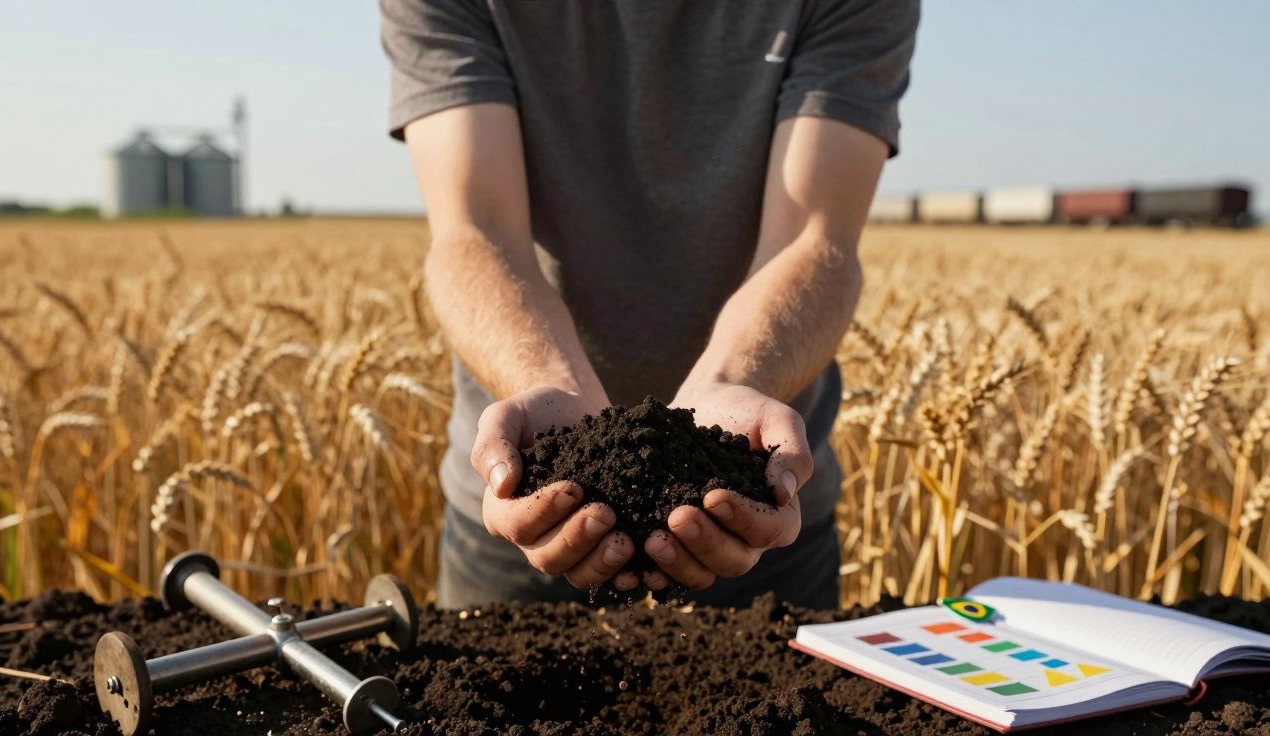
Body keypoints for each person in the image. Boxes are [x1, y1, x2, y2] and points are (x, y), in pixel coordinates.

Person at [381, 0, 918, 610]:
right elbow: (476, 230)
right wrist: (544, 381)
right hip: (524, 515)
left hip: (757, 513)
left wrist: (733, 384)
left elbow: (812, 236)